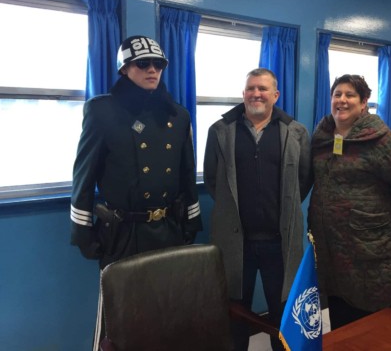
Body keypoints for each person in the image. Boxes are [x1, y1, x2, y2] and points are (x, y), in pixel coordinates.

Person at [70, 35, 202, 350]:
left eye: (158, 64)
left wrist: (191, 221)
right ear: (125, 68)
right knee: (117, 323)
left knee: (165, 313)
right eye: (143, 64)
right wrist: (83, 232)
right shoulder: (103, 110)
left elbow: (186, 173)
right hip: (123, 234)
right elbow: (84, 177)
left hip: (168, 230)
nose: (152, 70)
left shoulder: (177, 115)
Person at [203, 68, 312, 350]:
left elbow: (304, 179)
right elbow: (214, 180)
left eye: (263, 89)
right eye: (251, 88)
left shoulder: (296, 133)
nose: (256, 94)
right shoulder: (220, 131)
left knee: (283, 310)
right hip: (237, 242)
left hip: (279, 242)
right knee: (235, 310)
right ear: (243, 94)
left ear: (275, 95)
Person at [308, 74, 391, 330]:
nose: (342, 100)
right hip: (332, 249)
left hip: (369, 247)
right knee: (341, 319)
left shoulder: (381, 141)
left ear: (364, 102)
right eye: (337, 94)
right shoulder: (323, 137)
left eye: (350, 95)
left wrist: (386, 212)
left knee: (373, 323)